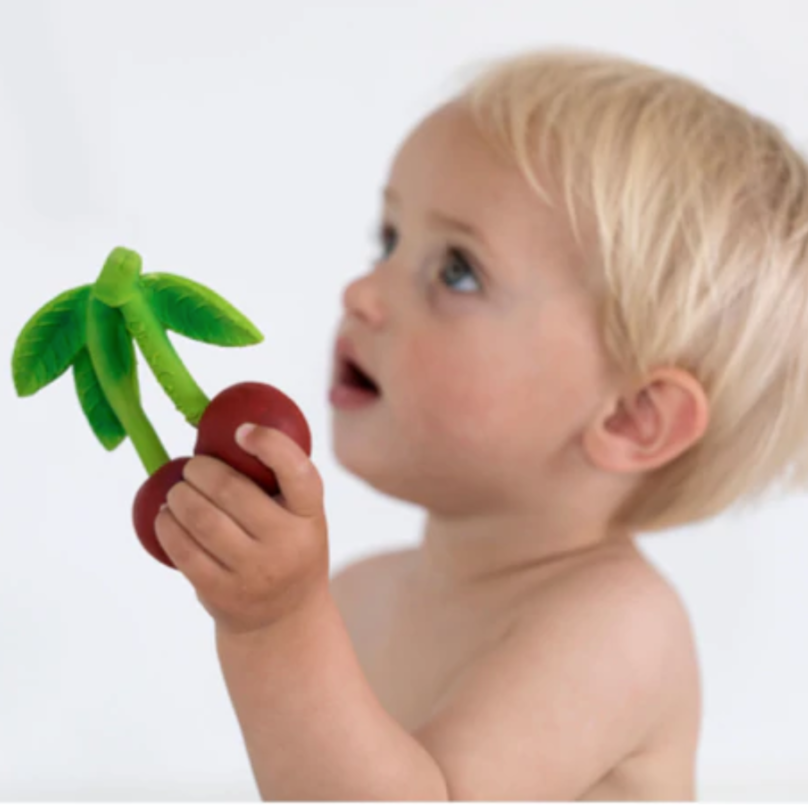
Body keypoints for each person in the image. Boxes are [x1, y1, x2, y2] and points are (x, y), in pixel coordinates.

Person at [154, 48, 808, 800]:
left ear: (632, 417)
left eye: (457, 270)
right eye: (390, 241)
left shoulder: (620, 627)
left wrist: (273, 630)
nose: (362, 292)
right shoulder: (360, 595)